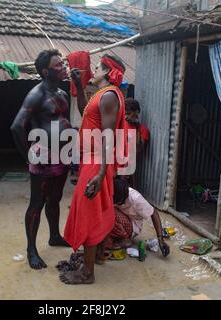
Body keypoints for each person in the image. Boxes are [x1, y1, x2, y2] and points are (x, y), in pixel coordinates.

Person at [60, 54, 128, 285]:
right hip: (92, 160)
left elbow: (109, 137)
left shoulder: (109, 96)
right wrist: (78, 85)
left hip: (98, 162)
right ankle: (97, 255)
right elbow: (85, 112)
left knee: (88, 211)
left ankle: (87, 273)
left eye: (98, 67)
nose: (94, 70)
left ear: (108, 72)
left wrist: (100, 174)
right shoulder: (100, 95)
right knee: (93, 209)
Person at [10, 49, 71, 270]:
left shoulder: (63, 94)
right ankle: (31, 250)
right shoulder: (37, 94)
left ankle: (54, 235)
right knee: (37, 203)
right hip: (43, 157)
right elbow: (17, 126)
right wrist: (29, 158)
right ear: (46, 71)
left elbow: (64, 123)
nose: (63, 67)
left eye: (62, 63)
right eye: (58, 65)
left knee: (55, 199)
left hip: (62, 156)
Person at [106, 177, 170, 257]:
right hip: (121, 219)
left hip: (132, 226)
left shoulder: (136, 198)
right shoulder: (114, 191)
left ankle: (125, 239)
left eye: (119, 201)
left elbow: (154, 213)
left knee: (110, 214)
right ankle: (115, 238)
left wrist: (160, 239)